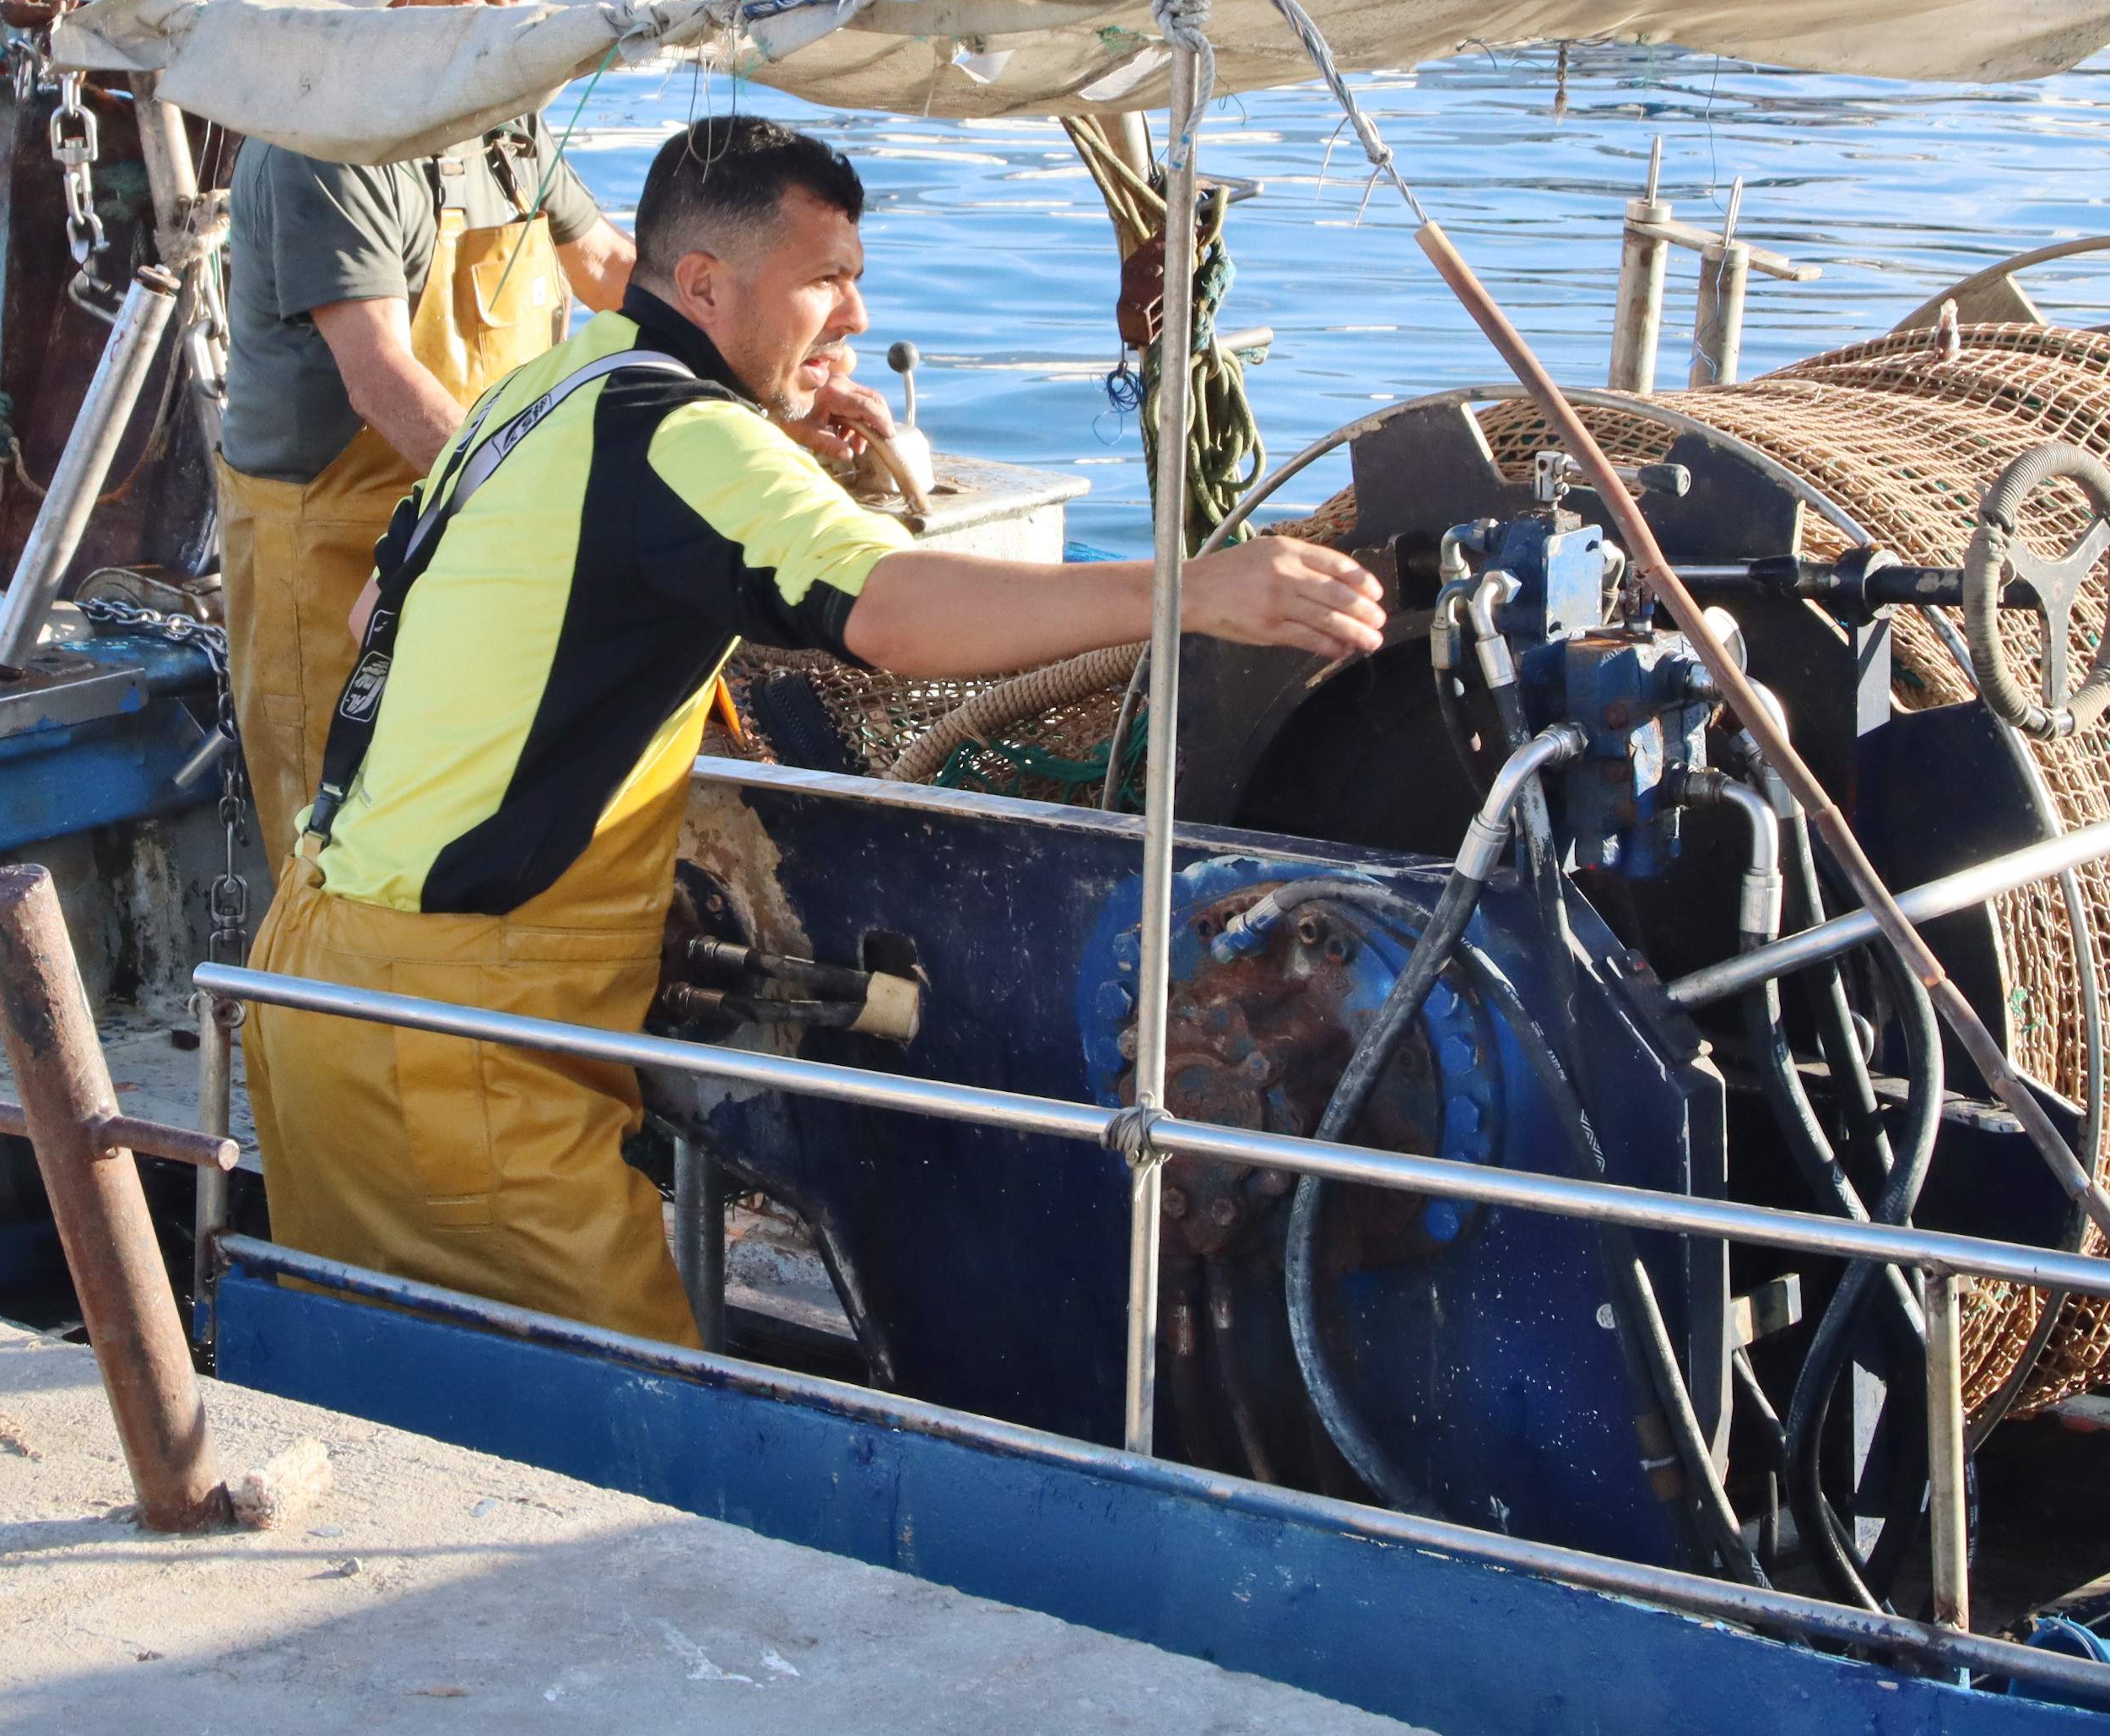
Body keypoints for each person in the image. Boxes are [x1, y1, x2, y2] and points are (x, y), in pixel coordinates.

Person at [242, 114, 1388, 1345]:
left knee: (377, 1382)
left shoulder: (544, 388)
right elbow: (889, 614)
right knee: (624, 1452)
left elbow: (378, 608)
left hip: (316, 970)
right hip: (454, 1042)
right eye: (826, 280)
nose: (851, 315)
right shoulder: (693, 440)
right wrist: (1192, 591)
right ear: (704, 284)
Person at [214, 0, 636, 870]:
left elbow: (607, 264)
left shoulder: (504, 123)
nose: (506, 27)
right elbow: (382, 377)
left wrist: (764, 364)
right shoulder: (329, 140)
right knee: (335, 827)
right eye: (477, 1)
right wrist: (544, 503)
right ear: (390, 0)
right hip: (332, 542)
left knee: (463, 808)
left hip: (469, 522)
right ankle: (305, 1011)